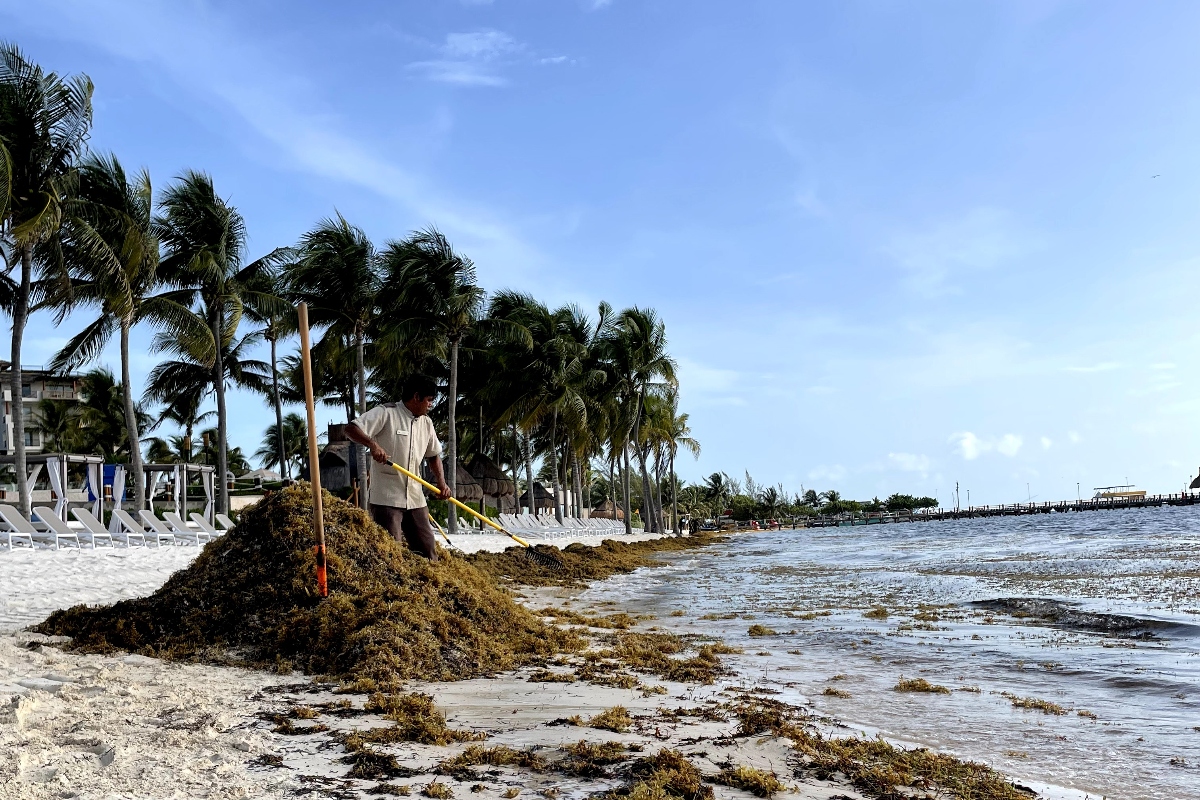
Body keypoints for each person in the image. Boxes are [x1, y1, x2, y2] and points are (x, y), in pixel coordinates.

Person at [345, 374, 451, 561]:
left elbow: (433, 455)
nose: (430, 405)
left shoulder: (426, 423)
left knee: (427, 550)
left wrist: (442, 483)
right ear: (416, 397)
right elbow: (351, 429)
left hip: (416, 498)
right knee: (390, 553)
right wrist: (372, 445)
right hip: (387, 498)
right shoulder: (386, 412)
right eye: (429, 400)